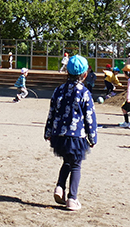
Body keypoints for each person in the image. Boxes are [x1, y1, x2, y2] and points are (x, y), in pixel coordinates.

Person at [44, 55, 97, 212]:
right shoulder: (85, 93)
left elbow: (51, 112)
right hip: (76, 136)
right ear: (85, 74)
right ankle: (72, 199)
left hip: (59, 135)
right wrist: (92, 137)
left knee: (67, 160)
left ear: (67, 71)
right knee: (76, 164)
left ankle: (60, 187)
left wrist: (48, 132)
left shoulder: (58, 90)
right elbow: (90, 117)